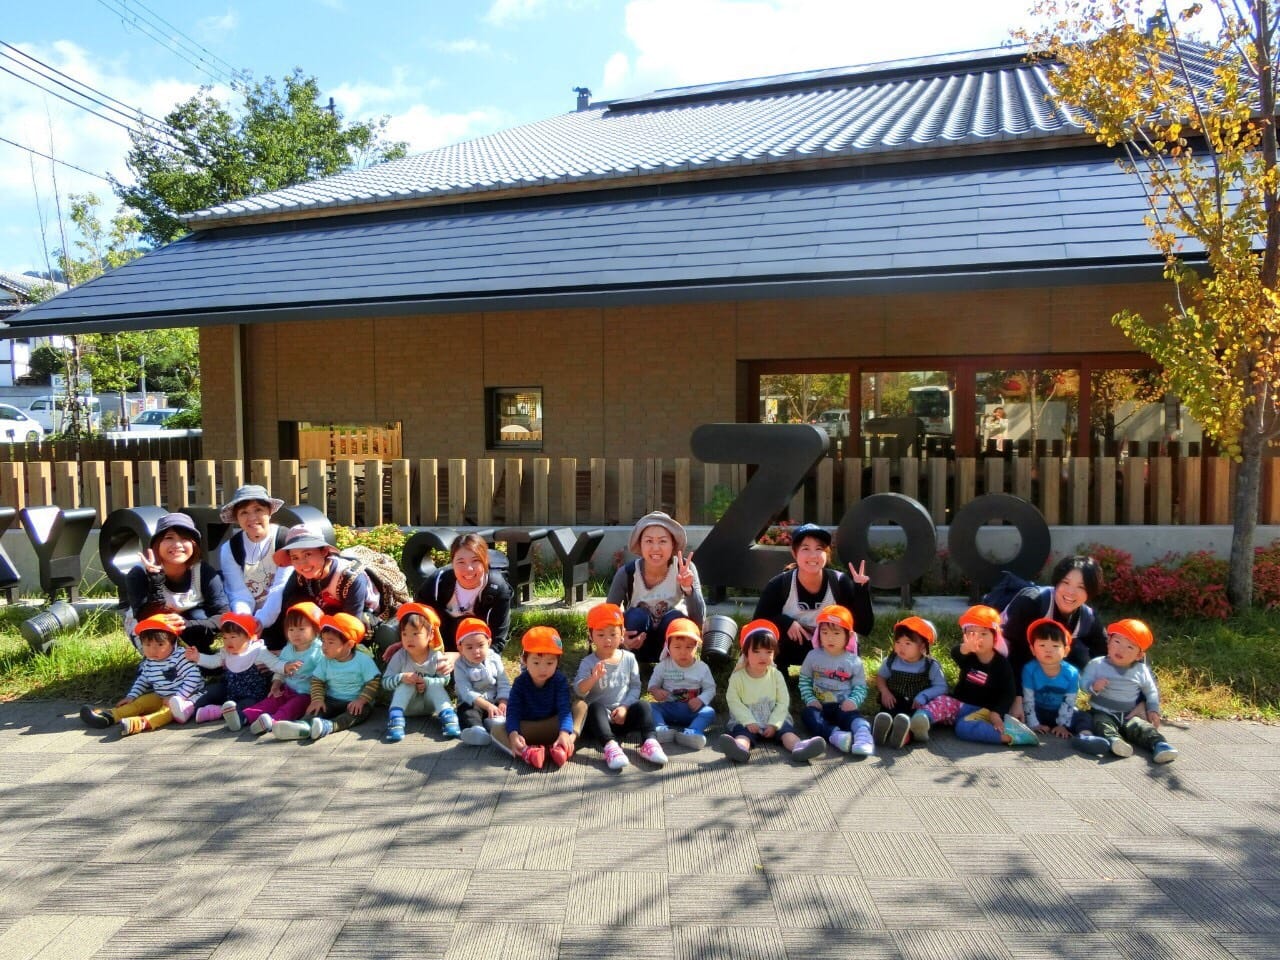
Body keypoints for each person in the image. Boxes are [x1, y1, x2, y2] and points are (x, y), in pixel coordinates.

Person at [752, 523, 873, 668]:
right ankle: (779, 676)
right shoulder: (779, 584)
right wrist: (785, 622)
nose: (813, 555)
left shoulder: (839, 583)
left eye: (819, 549)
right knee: (770, 637)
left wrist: (861, 591)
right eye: (805, 548)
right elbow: (757, 624)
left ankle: (833, 675)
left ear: (826, 554)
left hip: (831, 650)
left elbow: (864, 628)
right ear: (794, 553)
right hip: (793, 648)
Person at [915, 605, 1039, 747]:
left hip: (983, 711)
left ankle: (1010, 735)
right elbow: (955, 653)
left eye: (984, 634)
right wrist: (965, 648)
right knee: (942, 701)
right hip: (959, 704)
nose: (978, 638)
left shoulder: (1001, 664)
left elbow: (1008, 692)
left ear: (995, 637)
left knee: (963, 728)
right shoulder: (969, 656)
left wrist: (997, 713)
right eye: (972, 633)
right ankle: (920, 721)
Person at [717, 619, 826, 764]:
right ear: (746, 653)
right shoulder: (738, 677)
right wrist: (748, 720)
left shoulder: (776, 675)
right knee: (742, 734)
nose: (763, 656)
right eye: (756, 652)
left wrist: (774, 723)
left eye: (768, 652)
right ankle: (739, 749)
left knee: (786, 731)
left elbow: (783, 701)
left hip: (773, 717)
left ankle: (799, 747)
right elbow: (733, 701)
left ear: (775, 653)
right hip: (747, 720)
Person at [573, 603, 667, 770]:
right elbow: (579, 691)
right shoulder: (588, 663)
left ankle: (649, 742)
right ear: (590, 635)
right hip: (599, 722)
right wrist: (593, 678)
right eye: (600, 634)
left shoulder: (629, 658)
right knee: (594, 708)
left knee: (644, 706)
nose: (607, 640)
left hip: (623, 716)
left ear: (622, 634)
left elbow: (635, 687)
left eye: (613, 634)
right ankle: (610, 746)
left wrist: (625, 707)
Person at [79, 616, 205, 737]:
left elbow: (193, 678)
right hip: (161, 695)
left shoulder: (181, 656)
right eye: (147, 645)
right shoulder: (149, 661)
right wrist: (132, 696)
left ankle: (142, 723)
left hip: (185, 698)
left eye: (160, 645)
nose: (153, 650)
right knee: (140, 702)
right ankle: (110, 716)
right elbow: (143, 680)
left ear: (173, 643)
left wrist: (178, 697)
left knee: (166, 712)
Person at [606, 511, 705, 663]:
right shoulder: (627, 573)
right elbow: (608, 616)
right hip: (636, 643)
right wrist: (620, 638)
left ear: (673, 545)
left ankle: (671, 666)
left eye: (663, 541)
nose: (656, 548)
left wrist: (688, 589)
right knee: (636, 615)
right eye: (649, 541)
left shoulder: (685, 569)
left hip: (673, 647)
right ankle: (633, 663)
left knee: (675, 618)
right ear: (640, 544)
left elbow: (699, 620)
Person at [1074, 619, 1178, 763]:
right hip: (1102, 711)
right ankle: (1114, 741)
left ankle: (1160, 745)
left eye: (1130, 647)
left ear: (1139, 655)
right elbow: (1083, 683)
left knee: (1143, 727)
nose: (1121, 649)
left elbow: (1151, 691)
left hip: (1129, 713)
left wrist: (1153, 709)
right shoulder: (1097, 664)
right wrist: (1093, 686)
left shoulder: (1140, 670)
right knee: (1101, 724)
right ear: (1108, 642)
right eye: (1117, 642)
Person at [124, 512, 229, 656]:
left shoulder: (203, 571)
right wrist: (156, 580)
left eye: (185, 538)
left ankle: (200, 653)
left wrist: (186, 624)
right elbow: (144, 617)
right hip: (150, 623)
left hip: (187, 622)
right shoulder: (138, 574)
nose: (177, 545)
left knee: (200, 615)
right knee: (160, 653)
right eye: (169, 538)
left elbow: (223, 615)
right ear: (157, 543)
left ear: (194, 545)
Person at [271, 613, 380, 741]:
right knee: (316, 710)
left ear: (349, 645)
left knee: (355, 714)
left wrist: (361, 700)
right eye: (323, 641)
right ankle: (300, 727)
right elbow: (317, 681)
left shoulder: (363, 660)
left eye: (330, 642)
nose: (324, 647)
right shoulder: (325, 661)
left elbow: (374, 681)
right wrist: (317, 699)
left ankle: (329, 726)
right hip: (331, 699)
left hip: (354, 702)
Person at [1001, 555, 1107, 677]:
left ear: (1090, 592)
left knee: (1080, 656)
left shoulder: (1088, 617)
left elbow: (1104, 652)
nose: (1071, 592)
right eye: (1066, 582)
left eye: (1081, 587)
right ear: (1057, 582)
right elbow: (1013, 649)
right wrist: (1019, 692)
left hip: (1045, 659)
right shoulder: (1031, 602)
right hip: (1007, 654)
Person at [217, 484, 292, 649]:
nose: (252, 518)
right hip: (251, 615)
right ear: (237, 517)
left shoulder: (284, 539)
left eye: (258, 510)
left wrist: (262, 620)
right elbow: (237, 592)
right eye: (244, 512)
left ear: (269, 512)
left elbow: (280, 586)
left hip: (283, 611)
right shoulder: (230, 549)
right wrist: (247, 622)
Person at [413, 533, 513, 654]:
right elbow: (416, 618)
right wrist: (406, 643)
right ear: (452, 563)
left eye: (475, 561)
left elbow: (497, 643)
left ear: (485, 562)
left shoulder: (498, 589)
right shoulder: (438, 582)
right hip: (438, 648)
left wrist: (459, 659)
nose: (469, 569)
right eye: (461, 562)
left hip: (477, 653)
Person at [799, 604, 874, 757]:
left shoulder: (853, 661)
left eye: (836, 633)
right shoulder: (813, 656)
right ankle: (836, 735)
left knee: (854, 718)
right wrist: (810, 699)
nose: (829, 638)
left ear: (849, 636)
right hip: (820, 706)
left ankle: (863, 736)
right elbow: (804, 680)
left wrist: (853, 701)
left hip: (843, 706)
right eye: (824, 632)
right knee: (808, 716)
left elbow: (860, 687)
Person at [243, 602, 326, 736]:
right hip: (287, 689)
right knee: (270, 701)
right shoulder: (288, 649)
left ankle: (273, 722)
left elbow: (325, 675)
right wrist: (276, 684)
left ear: (316, 629)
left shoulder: (318, 651)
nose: (295, 634)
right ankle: (245, 717)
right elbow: (280, 670)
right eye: (291, 629)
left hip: (307, 694)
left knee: (292, 707)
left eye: (301, 629)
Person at [381, 602, 458, 742]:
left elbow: (445, 679)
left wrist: (427, 682)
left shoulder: (436, 656)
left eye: (415, 633)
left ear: (430, 635)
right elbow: (385, 682)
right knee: (406, 684)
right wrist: (401, 677)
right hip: (407, 707)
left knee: (435, 686)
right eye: (404, 634)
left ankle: (449, 717)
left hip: (430, 706)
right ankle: (396, 720)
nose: (409, 639)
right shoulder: (400, 656)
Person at [183, 611, 274, 730]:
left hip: (251, 694)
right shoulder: (226, 653)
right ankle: (188, 707)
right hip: (229, 690)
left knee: (247, 705)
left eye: (233, 637)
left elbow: (275, 664)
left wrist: (285, 668)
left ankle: (226, 715)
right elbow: (213, 661)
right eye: (225, 637)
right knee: (211, 690)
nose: (228, 641)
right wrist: (197, 657)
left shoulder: (257, 651)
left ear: (247, 637)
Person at [506, 625, 576, 769]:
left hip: (554, 728)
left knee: (581, 706)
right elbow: (513, 711)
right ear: (525, 660)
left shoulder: (559, 680)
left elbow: (564, 709)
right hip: (528, 731)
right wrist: (513, 734)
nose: (543, 669)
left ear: (558, 662)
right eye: (536, 662)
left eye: (550, 663)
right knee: (498, 729)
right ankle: (527, 752)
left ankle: (566, 744)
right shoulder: (520, 683)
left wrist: (564, 732)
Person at [872, 616, 948, 749]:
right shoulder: (891, 661)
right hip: (894, 700)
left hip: (916, 704)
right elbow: (881, 677)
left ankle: (904, 736)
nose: (901, 647)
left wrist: (924, 696)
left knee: (914, 721)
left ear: (922, 647)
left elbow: (941, 687)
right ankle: (880, 730)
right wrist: (885, 692)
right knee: (887, 713)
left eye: (908, 643)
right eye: (898, 642)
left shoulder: (930, 665)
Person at [648, 617, 716, 750]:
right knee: (650, 707)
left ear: (697, 647)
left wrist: (701, 700)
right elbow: (652, 685)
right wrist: (656, 691)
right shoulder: (663, 666)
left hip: (692, 710)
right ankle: (661, 729)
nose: (683, 652)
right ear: (668, 646)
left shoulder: (702, 668)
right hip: (669, 708)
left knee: (709, 712)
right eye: (677, 647)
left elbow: (710, 688)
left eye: (689, 647)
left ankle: (692, 732)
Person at [452, 617, 511, 748]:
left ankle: (499, 723)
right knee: (468, 712)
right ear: (460, 648)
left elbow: (503, 682)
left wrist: (503, 701)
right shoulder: (460, 665)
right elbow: (466, 691)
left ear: (489, 643)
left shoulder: (494, 658)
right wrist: (487, 706)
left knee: (513, 705)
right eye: (469, 647)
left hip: (495, 700)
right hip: (475, 702)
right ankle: (477, 730)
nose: (476, 651)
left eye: (480, 645)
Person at [1020, 618, 1081, 740]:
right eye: (1042, 645)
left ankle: (1085, 736)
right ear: (1032, 649)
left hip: (1060, 711)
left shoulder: (1072, 673)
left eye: (1055, 645)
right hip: (1038, 710)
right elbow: (1028, 698)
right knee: (1018, 711)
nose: (1048, 650)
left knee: (1083, 717)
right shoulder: (1029, 669)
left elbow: (1069, 700)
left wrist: (1062, 724)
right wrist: (1033, 723)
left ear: (1066, 651)